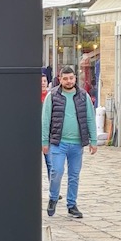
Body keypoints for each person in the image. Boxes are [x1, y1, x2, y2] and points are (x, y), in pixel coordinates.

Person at [41, 65, 98, 219]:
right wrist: (44, 142)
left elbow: (90, 118)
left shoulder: (83, 96)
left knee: (74, 175)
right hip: (58, 143)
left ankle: (72, 205)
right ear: (60, 79)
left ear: (75, 78)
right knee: (57, 171)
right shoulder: (52, 96)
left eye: (71, 78)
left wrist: (94, 140)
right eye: (65, 78)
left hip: (77, 144)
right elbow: (45, 120)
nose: (68, 81)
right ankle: (53, 198)